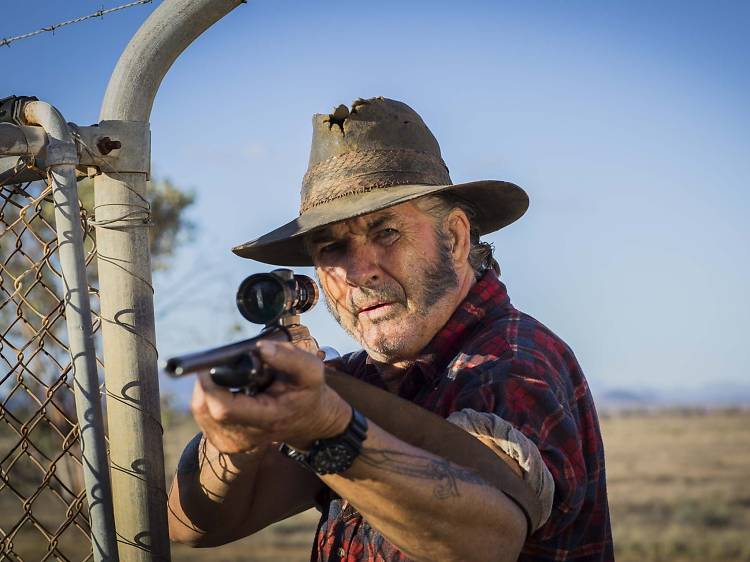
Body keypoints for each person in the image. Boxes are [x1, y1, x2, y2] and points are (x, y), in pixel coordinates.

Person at [167, 97, 613, 561]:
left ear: (455, 238)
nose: (359, 271)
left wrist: (326, 429)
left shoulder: (510, 362)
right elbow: (195, 527)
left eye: (385, 233)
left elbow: (485, 541)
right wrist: (231, 443)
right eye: (333, 247)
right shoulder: (362, 381)